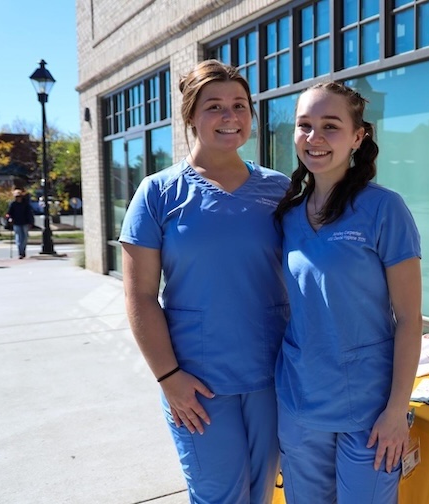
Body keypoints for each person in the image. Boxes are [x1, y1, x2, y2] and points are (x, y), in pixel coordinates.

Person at [119, 59, 291, 504]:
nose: (230, 117)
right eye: (214, 106)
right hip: (197, 382)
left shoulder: (281, 191)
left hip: (272, 375)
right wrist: (168, 377)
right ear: (191, 116)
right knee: (218, 496)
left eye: (240, 105)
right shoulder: (158, 193)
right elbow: (139, 296)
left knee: (261, 495)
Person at [274, 81, 423, 503]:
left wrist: (397, 411)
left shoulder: (384, 209)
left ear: (358, 137)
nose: (314, 138)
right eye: (305, 126)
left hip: (369, 409)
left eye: (330, 126)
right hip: (300, 402)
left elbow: (410, 319)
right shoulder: (286, 216)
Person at [5, 188, 35, 259]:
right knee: (18, 238)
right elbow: (9, 213)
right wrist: (9, 218)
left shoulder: (26, 204)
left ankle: (23, 251)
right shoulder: (13, 204)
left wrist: (31, 222)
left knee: (25, 238)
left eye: (19, 196)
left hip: (25, 223)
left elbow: (30, 213)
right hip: (16, 223)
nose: (18, 198)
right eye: (16, 196)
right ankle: (20, 253)